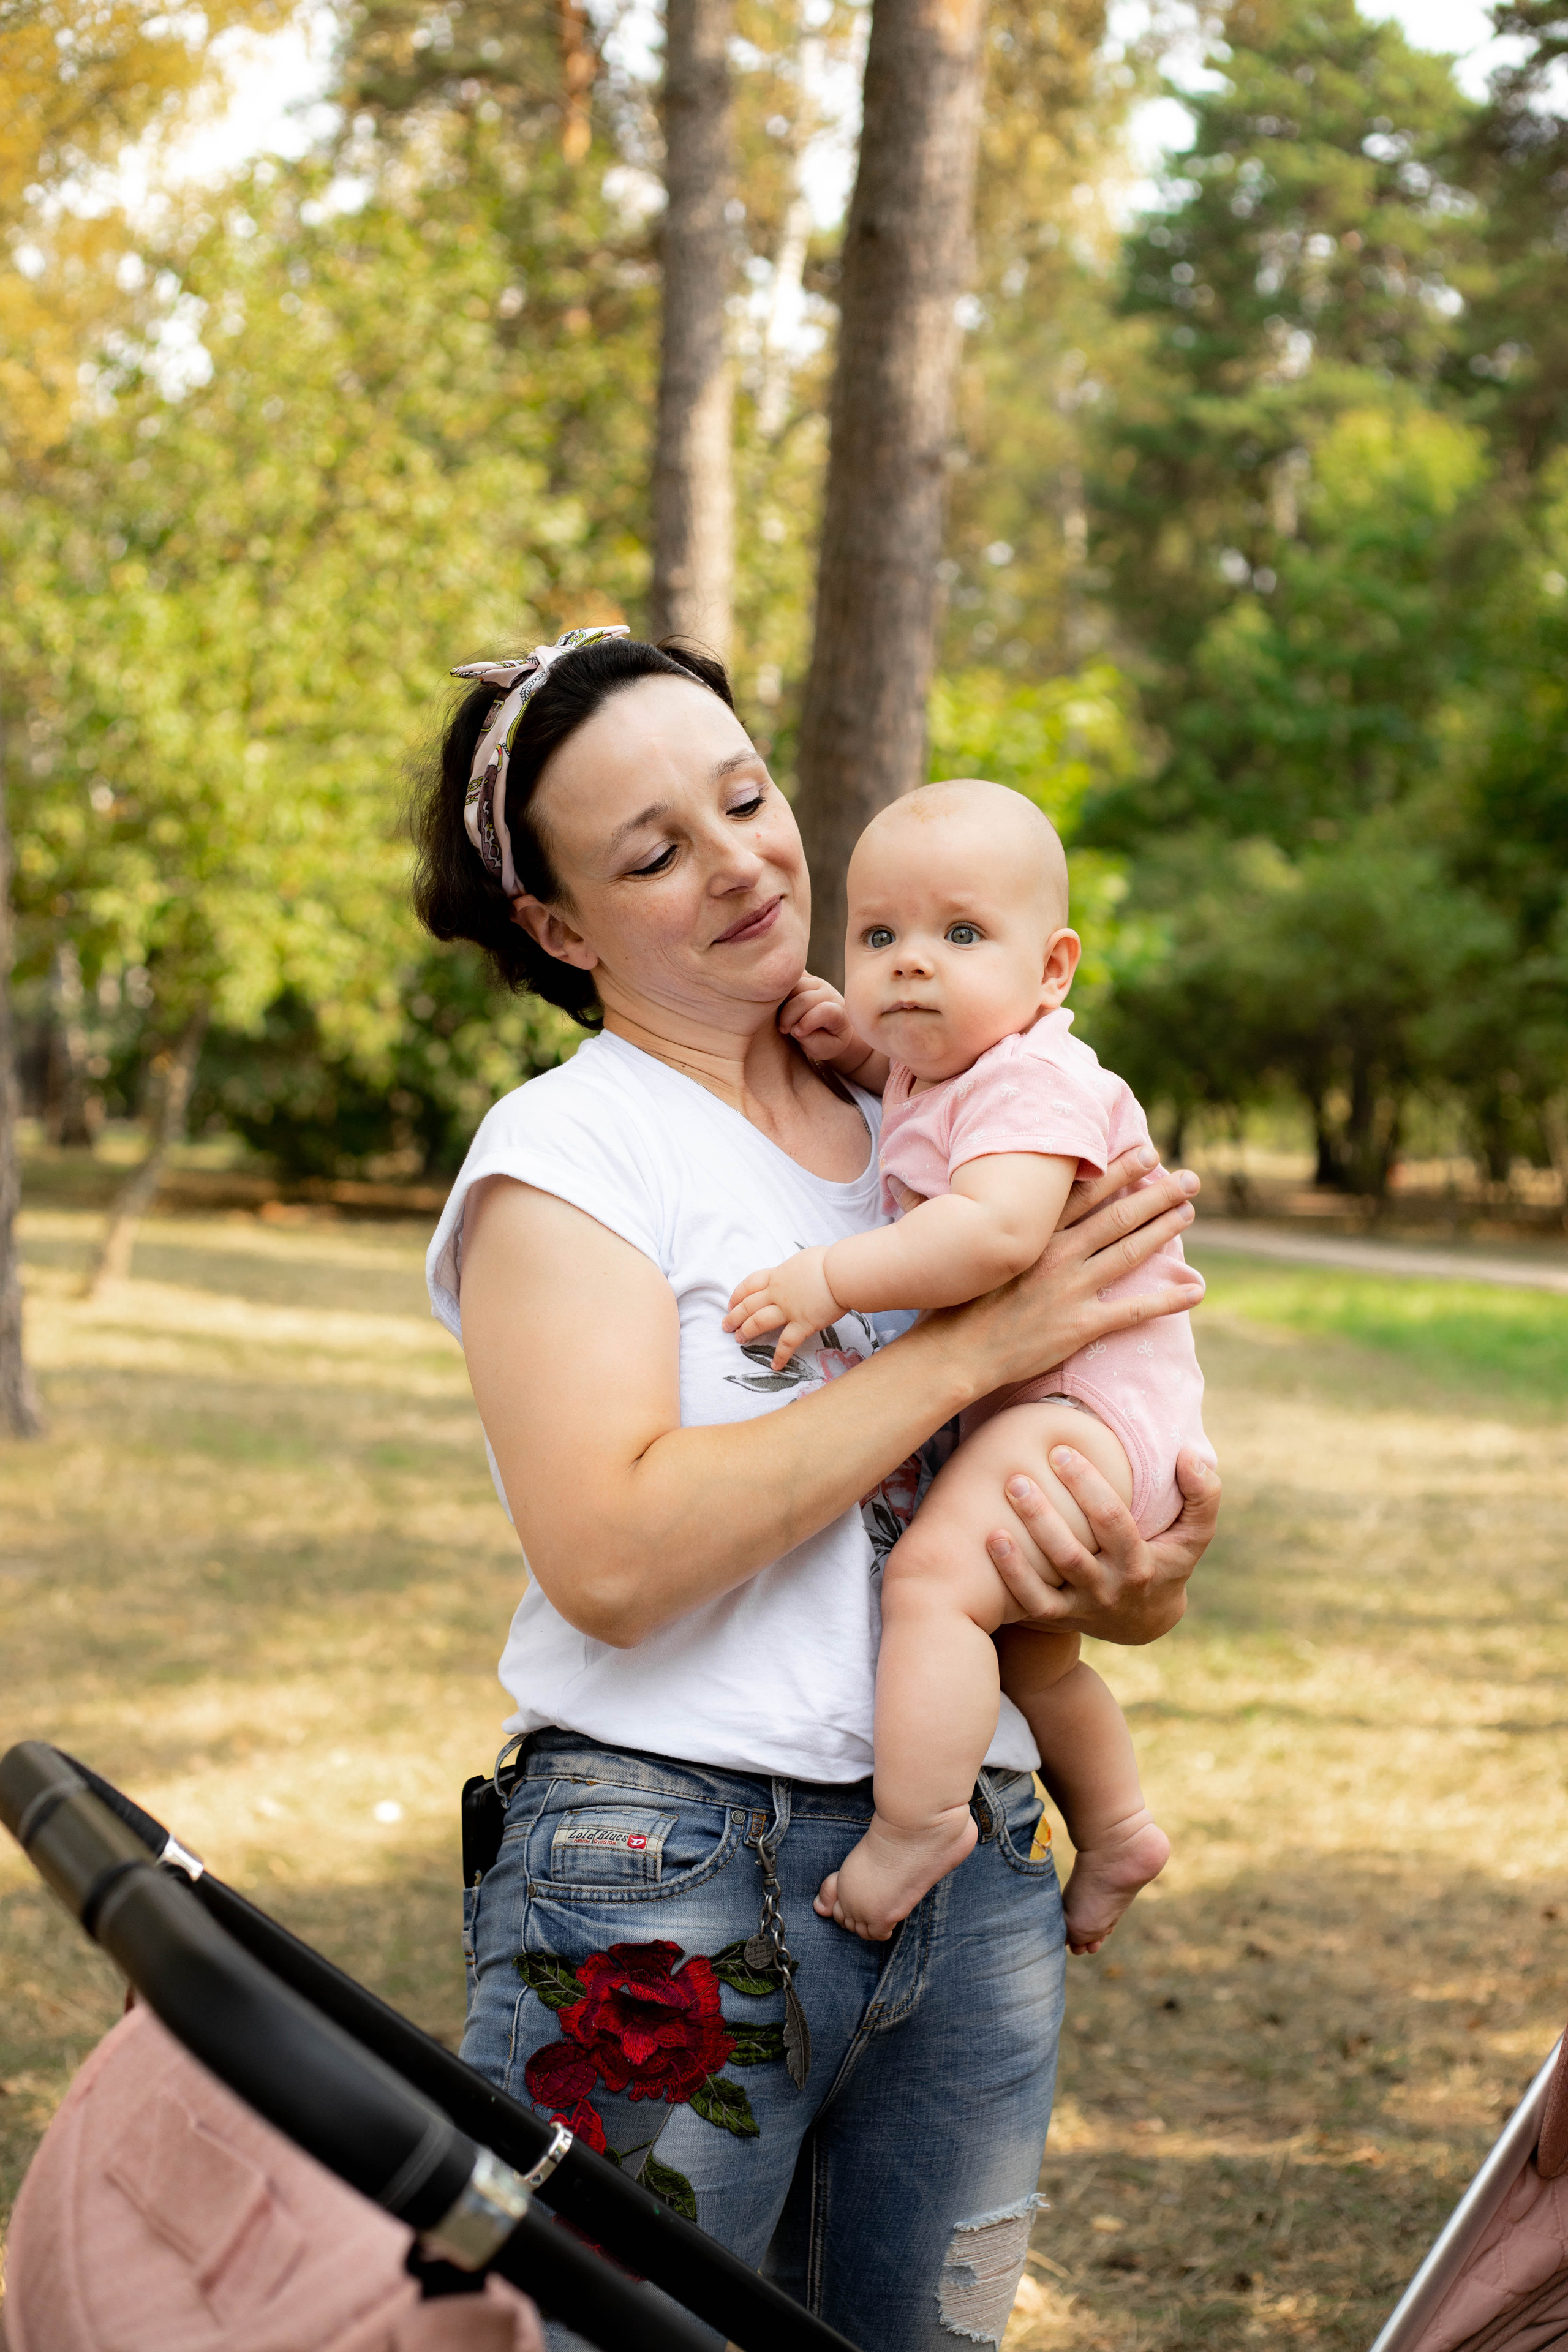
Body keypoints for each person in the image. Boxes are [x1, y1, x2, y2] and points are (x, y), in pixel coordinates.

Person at [416, 627, 1220, 2352]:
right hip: (669, 1874)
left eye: (745, 796)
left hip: (979, 1870)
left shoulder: (940, 1109)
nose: (738, 864)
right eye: (652, 852)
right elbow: (616, 1559)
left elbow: (1072, 1464)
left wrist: (1131, 1582)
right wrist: (960, 1349)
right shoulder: (569, 1156)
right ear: (559, 932)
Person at [724, 780, 1212, 1949]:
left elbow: (993, 1231)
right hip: (1061, 1406)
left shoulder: (1036, 1078)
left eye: (960, 935)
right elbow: (920, 1106)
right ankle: (1121, 1823)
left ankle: (920, 1823)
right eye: (879, 937)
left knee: (932, 1588)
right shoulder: (948, 1071)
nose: (910, 967)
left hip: (1082, 1406)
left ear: (1051, 972)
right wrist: (856, 1050)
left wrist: (831, 1277)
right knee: (1031, 1659)